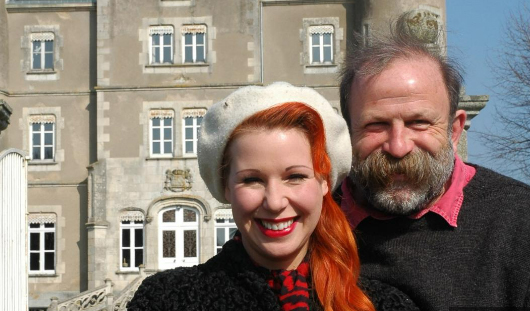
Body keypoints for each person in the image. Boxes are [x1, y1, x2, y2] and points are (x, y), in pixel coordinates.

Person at [128, 82, 418, 311]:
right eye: (252, 180)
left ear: (324, 183)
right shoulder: (167, 300)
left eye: (295, 177)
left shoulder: (382, 303)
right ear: (227, 188)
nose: (275, 201)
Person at [337, 13, 530, 311]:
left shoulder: (518, 221)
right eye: (376, 125)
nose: (398, 147)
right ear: (348, 131)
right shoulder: (312, 221)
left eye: (419, 123)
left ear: (454, 130)